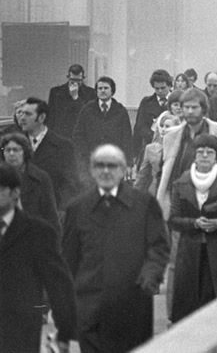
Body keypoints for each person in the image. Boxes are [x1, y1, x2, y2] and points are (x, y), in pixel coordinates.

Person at [62, 144, 169, 353]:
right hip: (90, 302)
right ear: (92, 170)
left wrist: (149, 278)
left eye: (112, 166)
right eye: (99, 166)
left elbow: (158, 247)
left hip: (132, 302)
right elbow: (68, 257)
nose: (105, 171)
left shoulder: (144, 204)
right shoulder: (78, 208)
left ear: (122, 170)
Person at [0, 162, 77, 353]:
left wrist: (66, 330)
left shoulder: (38, 232)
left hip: (19, 329)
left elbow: (58, 284)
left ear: (15, 193)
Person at [168, 134, 217, 323]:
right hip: (189, 250)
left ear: (216, 156)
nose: (204, 156)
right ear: (194, 155)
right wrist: (194, 223)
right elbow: (173, 219)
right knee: (188, 302)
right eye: (200, 152)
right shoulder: (181, 183)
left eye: (209, 152)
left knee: (216, 300)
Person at [19, 97, 78, 213]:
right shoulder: (13, 144)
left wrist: (62, 211)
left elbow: (70, 183)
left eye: (28, 114)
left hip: (51, 213)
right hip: (20, 215)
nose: (22, 118)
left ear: (41, 118)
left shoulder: (63, 146)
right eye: (21, 113)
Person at [0, 132, 59, 233]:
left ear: (25, 152)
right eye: (7, 150)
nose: (11, 154)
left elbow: (50, 215)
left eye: (16, 150)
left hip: (33, 236)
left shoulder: (40, 178)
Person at [72, 76, 133, 165]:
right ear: (96, 91)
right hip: (90, 161)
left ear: (112, 91)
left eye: (106, 88)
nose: (103, 90)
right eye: (100, 88)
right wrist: (85, 155)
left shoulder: (120, 111)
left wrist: (128, 163)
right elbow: (78, 135)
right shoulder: (87, 109)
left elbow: (127, 138)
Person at [133, 69, 173, 166]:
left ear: (169, 85)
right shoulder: (146, 102)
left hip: (171, 149)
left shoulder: (176, 102)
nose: (160, 91)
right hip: (150, 146)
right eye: (156, 88)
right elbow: (139, 126)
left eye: (163, 88)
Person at [46, 64, 97, 139]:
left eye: (78, 80)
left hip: (80, 135)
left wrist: (76, 98)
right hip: (60, 134)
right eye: (73, 80)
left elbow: (88, 115)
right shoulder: (56, 92)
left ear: (82, 79)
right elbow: (51, 116)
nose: (75, 83)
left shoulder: (91, 93)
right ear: (68, 77)